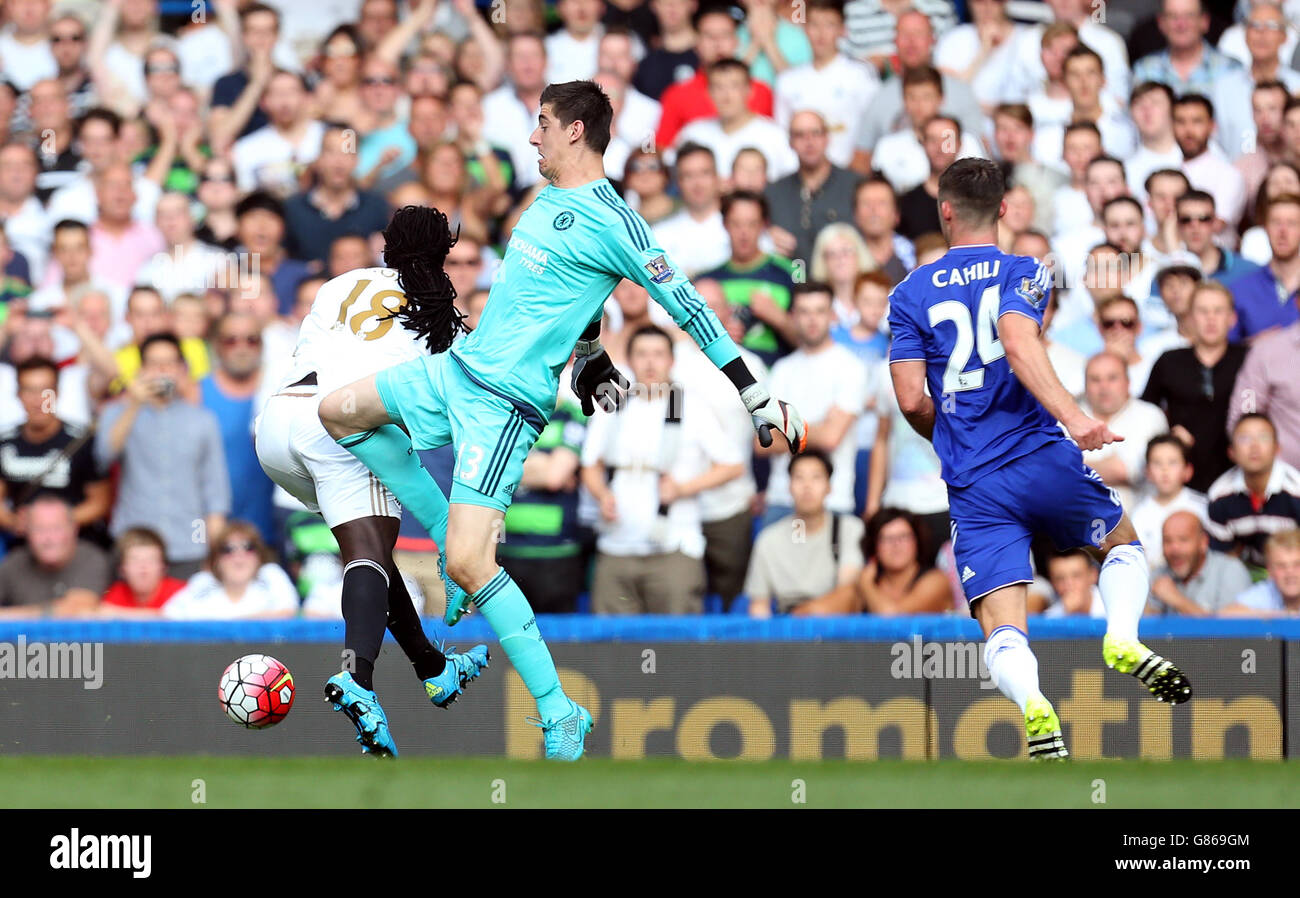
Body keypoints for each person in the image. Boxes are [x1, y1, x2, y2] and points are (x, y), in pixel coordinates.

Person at [318, 80, 808, 761]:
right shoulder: (545, 199)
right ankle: (445, 531)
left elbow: (690, 308)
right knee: (336, 411)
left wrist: (754, 393)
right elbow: (566, 295)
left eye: (542, 123)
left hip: (504, 407)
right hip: (456, 369)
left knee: (467, 563)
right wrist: (590, 353)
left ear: (576, 131)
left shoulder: (618, 222)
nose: (531, 136)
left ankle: (559, 711)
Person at [887, 157, 1193, 762]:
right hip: (1039, 454)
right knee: (1122, 545)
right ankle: (1124, 637)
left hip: (973, 482)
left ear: (944, 211)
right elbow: (1020, 341)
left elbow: (910, 398)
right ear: (1003, 209)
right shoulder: (1025, 270)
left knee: (1001, 623)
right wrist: (1076, 419)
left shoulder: (908, 293)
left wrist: (948, 436)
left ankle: (1032, 700)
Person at [255, 207, 491, 756]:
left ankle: (433, 667)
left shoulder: (341, 283)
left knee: (375, 557)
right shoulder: (439, 312)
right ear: (442, 254)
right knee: (368, 553)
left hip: (277, 424)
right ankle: (357, 678)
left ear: (388, 247)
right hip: (342, 426)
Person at [581, 324, 743, 615]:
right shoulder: (614, 405)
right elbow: (590, 465)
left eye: (658, 354)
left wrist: (683, 489)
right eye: (642, 354)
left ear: (671, 360)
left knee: (676, 648)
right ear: (629, 361)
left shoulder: (689, 405)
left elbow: (732, 465)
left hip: (674, 546)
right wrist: (602, 494)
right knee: (610, 645)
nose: (650, 362)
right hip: (616, 545)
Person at [94, 333, 229, 579]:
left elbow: (215, 495)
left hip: (189, 546)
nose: (162, 371)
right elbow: (103, 457)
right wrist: (134, 404)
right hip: (133, 548)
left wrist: (215, 553)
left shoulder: (203, 420)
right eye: (154, 364)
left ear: (182, 370)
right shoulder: (116, 413)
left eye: (169, 364)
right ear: (141, 369)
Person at [1141, 281, 1247, 492]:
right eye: (1202, 311)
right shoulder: (1169, 361)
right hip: (1181, 480)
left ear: (1232, 319)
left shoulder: (1249, 360)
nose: (1210, 318)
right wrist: (1169, 433)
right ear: (1189, 318)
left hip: (1240, 476)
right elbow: (1144, 412)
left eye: (1218, 311)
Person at [0, 356, 110, 547]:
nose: (38, 400)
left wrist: (50, 525)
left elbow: (99, 502)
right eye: (29, 390)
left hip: (76, 545)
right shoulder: (5, 442)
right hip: (23, 545)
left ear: (57, 393)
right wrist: (12, 521)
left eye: (46, 391)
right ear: (18, 394)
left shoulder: (81, 440)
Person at [744, 449, 864, 617]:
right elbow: (759, 605)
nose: (807, 486)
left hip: (835, 624)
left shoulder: (850, 529)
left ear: (829, 487)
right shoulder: (768, 539)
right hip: (786, 631)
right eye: (799, 478)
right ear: (789, 487)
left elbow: (848, 592)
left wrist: (805, 614)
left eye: (816, 477)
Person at [1206, 412, 1300, 572]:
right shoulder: (1219, 496)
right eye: (1244, 439)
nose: (1254, 446)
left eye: (1263, 438)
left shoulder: (1296, 491)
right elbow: (1223, 559)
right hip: (1245, 573)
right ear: (1231, 452)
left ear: (1277, 448)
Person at [0, 494, 108, 616]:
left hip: (71, 635)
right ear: (26, 532)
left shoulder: (90, 558)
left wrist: (8, 615)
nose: (49, 538)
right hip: (23, 635)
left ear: (74, 529)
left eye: (56, 528)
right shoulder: (14, 562)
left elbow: (77, 610)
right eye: (39, 529)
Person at [1149, 509, 1254, 616]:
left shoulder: (1230, 571)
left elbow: (1231, 628)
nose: (1175, 549)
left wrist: (1177, 600)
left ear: (1203, 542)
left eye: (1183, 539)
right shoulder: (1157, 575)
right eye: (1168, 541)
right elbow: (1140, 626)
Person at [1131, 434, 1209, 570]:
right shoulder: (1139, 514)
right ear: (1147, 472)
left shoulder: (1202, 506)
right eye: (1157, 463)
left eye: (1172, 462)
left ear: (1188, 470)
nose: (1164, 470)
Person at [100, 526, 186, 616]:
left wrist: (117, 613)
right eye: (135, 560)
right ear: (122, 569)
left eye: (151, 560)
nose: (143, 567)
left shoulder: (181, 593)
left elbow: (183, 615)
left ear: (164, 567)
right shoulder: (116, 592)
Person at [1222, 527, 1300, 616]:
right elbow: (1226, 614)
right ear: (1270, 570)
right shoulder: (1266, 591)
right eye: (1281, 566)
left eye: (1297, 565)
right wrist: (1280, 617)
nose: (1290, 572)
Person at [1042, 550, 1105, 618]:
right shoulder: (1050, 618)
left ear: (1093, 575)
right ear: (1052, 583)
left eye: (1076, 575)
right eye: (1060, 578)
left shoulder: (1113, 607)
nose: (1069, 584)